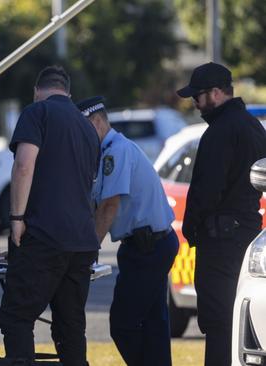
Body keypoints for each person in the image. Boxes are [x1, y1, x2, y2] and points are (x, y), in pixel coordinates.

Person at [0, 65, 100, 366]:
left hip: (43, 236)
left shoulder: (36, 113)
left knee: (17, 316)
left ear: (36, 91)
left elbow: (24, 166)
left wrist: (16, 219)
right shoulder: (87, 127)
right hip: (81, 241)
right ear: (68, 91)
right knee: (70, 325)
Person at [77, 96, 179, 366]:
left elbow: (109, 206)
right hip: (148, 245)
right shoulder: (109, 151)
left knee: (123, 324)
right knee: (153, 324)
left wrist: (88, 251)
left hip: (148, 248)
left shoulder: (114, 152)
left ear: (96, 123)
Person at [176, 62, 266, 366]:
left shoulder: (220, 132)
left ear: (216, 93)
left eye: (197, 97)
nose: (196, 105)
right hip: (246, 233)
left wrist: (191, 229)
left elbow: (206, 191)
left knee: (217, 323)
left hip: (221, 241)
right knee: (240, 323)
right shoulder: (251, 125)